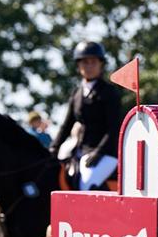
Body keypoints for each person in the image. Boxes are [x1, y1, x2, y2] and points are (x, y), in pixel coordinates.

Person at [49, 41, 124, 191]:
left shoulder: (109, 92)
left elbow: (114, 127)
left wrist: (99, 152)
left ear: (101, 64)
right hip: (80, 150)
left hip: (107, 153)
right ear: (79, 66)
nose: (89, 66)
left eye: (93, 62)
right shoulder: (77, 93)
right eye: (85, 63)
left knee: (86, 183)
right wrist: (53, 148)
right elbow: (66, 125)